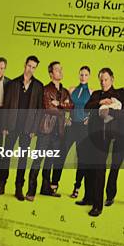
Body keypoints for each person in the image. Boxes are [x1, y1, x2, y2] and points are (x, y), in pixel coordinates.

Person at [0, 55, 43, 200]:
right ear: (25, 65)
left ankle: (18, 188)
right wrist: (4, 126)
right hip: (11, 126)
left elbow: (39, 110)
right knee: (5, 156)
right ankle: (1, 185)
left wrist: (35, 129)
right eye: (29, 66)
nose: (30, 69)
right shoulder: (13, 83)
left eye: (33, 67)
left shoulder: (38, 86)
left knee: (23, 158)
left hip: (27, 129)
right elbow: (6, 107)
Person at [26, 61, 73, 201]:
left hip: (58, 132)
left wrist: (59, 105)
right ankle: (31, 191)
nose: (60, 71)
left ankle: (45, 189)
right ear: (51, 74)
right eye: (57, 70)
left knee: (50, 161)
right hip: (45, 130)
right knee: (37, 161)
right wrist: (62, 107)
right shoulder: (45, 89)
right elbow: (47, 108)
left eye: (61, 69)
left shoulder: (64, 91)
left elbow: (71, 106)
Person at [82, 68, 121, 216]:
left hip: (106, 136)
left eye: (106, 79)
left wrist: (109, 110)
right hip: (92, 135)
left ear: (112, 79)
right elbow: (87, 108)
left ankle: (98, 206)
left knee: (99, 169)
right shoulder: (96, 94)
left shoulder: (118, 95)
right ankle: (89, 197)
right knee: (89, 167)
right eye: (101, 80)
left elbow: (119, 113)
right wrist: (100, 102)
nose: (103, 82)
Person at [64, 66, 92, 199]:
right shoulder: (71, 89)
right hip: (71, 126)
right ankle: (54, 183)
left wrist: (89, 119)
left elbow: (95, 110)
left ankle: (76, 187)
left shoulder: (92, 92)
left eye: (86, 75)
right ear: (78, 75)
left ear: (89, 76)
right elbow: (67, 106)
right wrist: (67, 118)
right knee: (62, 152)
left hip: (83, 128)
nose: (83, 77)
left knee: (82, 159)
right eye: (81, 74)